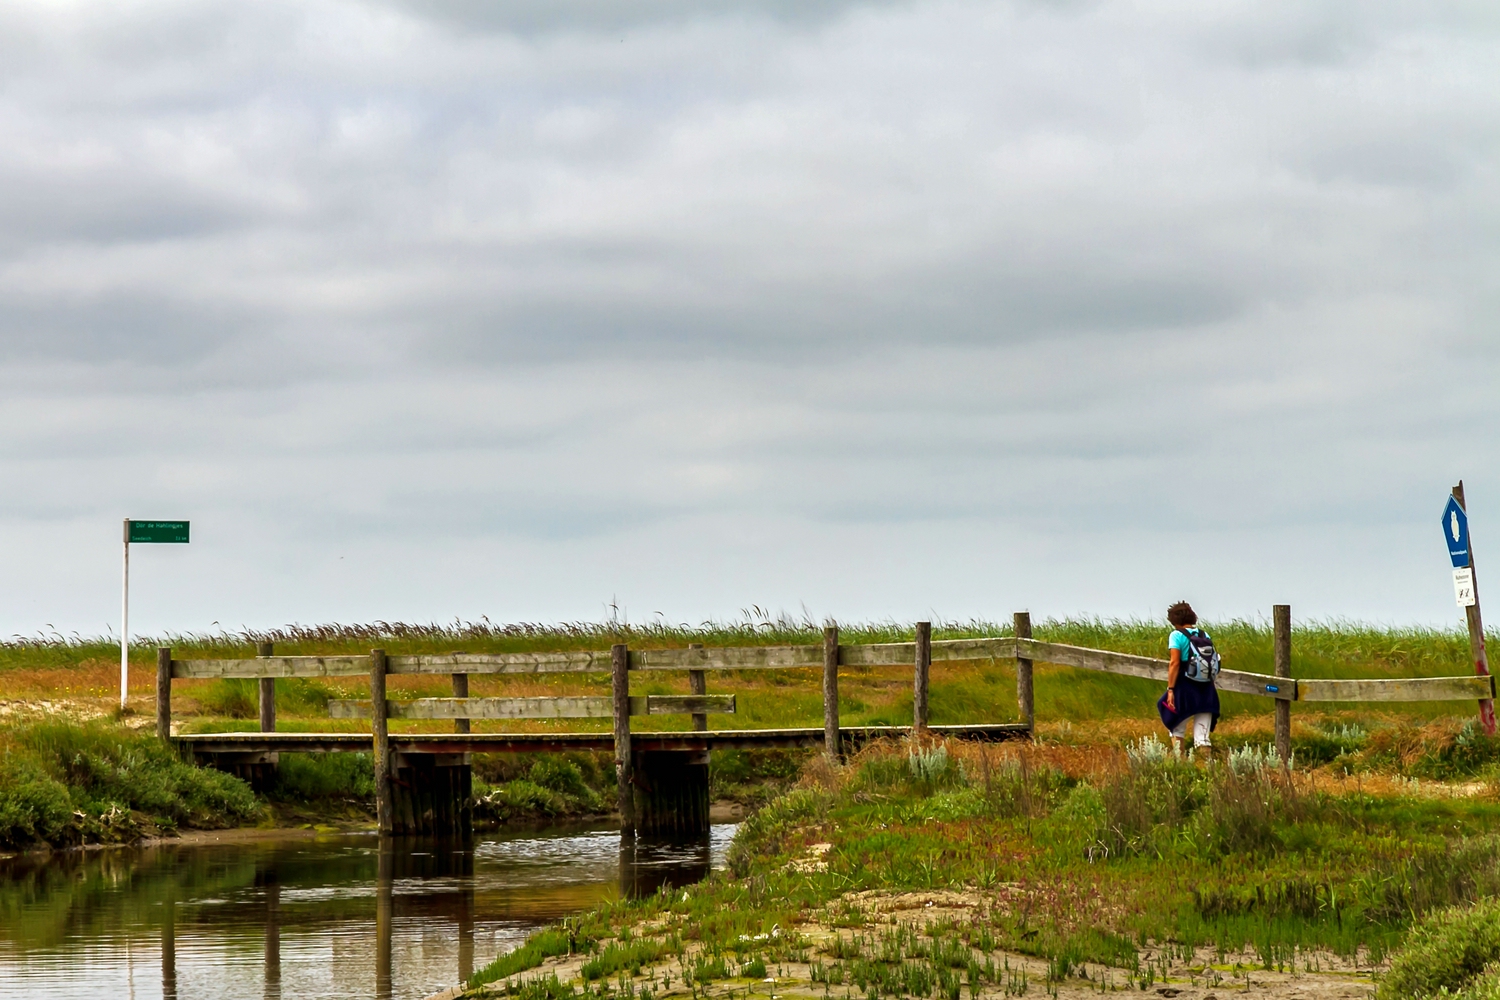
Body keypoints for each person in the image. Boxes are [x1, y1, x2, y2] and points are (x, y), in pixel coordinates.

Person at [1156, 601, 1220, 759]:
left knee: (1177, 729)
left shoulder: (1176, 635)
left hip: (1184, 687)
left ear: (1174, 620)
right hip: (1206, 689)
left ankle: (1181, 767)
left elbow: (1175, 662)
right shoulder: (1205, 635)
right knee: (1202, 737)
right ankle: (1208, 770)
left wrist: (1170, 689)